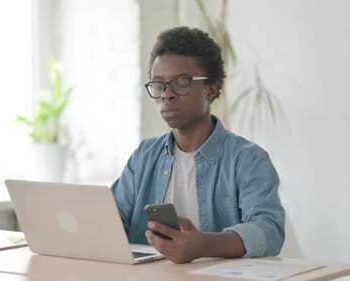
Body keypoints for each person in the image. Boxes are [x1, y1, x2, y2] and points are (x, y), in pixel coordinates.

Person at [111, 26, 285, 264]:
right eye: (159, 84)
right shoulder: (144, 155)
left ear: (210, 89)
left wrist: (204, 244)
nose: (166, 95)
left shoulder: (248, 160)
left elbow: (269, 231)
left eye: (181, 83)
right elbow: (113, 216)